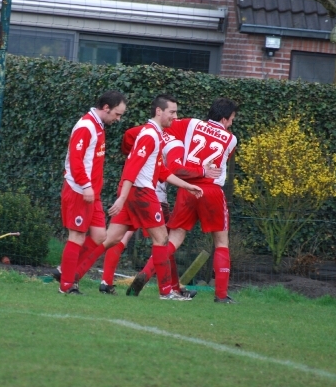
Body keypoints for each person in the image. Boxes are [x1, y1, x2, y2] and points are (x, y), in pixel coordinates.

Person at [71, 94, 204, 301]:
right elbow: (131, 169)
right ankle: (167, 292)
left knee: (110, 238)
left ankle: (73, 277)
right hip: (142, 194)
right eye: (172, 112)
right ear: (159, 111)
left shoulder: (155, 134)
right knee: (162, 239)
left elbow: (161, 172)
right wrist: (122, 198)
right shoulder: (149, 135)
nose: (175, 117)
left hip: (135, 194)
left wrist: (188, 185)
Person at [126, 97, 239, 304]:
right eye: (231, 119)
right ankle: (221, 296)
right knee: (221, 242)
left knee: (173, 240)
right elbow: (222, 159)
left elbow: (166, 126)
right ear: (224, 119)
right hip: (211, 190)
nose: (231, 123)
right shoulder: (231, 139)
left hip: (187, 189)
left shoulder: (192, 123)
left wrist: (175, 150)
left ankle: (145, 272)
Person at [98, 124, 221, 295]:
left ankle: (103, 280)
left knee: (118, 237)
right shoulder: (174, 143)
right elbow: (175, 169)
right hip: (153, 196)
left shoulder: (144, 130)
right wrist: (201, 171)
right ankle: (168, 287)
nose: (175, 119)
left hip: (131, 189)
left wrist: (131, 154)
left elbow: (128, 137)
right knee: (164, 242)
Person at [58, 90, 127, 294]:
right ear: (106, 108)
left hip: (91, 193)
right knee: (77, 237)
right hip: (80, 191)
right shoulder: (86, 126)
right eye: (117, 114)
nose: (118, 119)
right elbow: (75, 160)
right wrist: (86, 185)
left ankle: (67, 272)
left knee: (99, 236)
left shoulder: (98, 126)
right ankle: (66, 285)